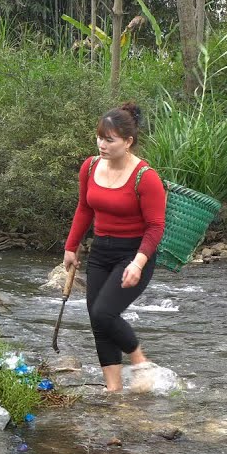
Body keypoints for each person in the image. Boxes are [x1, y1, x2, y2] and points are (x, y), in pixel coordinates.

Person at [63, 103, 166, 392]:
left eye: (109, 140)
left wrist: (138, 263)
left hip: (133, 254)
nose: (102, 145)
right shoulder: (90, 166)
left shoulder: (146, 177)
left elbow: (156, 226)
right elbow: (85, 208)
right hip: (100, 252)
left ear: (128, 141)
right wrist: (71, 246)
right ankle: (114, 391)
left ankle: (140, 360)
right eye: (99, 137)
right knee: (97, 320)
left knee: (103, 313)